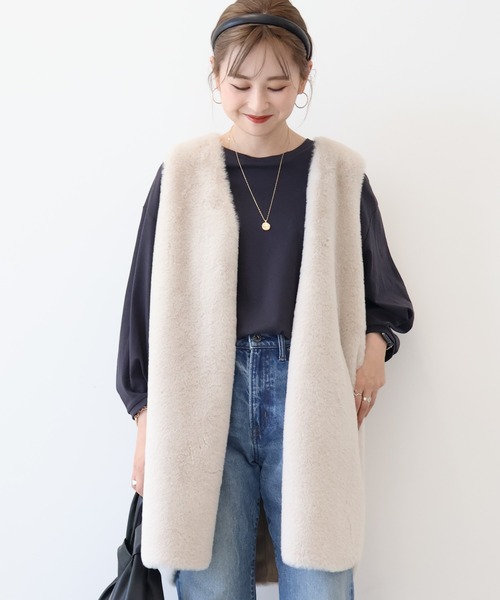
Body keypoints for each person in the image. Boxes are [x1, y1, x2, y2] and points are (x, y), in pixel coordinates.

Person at [116, 1, 414, 598]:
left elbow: (383, 293)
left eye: (278, 85)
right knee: (213, 585)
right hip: (201, 402)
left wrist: (375, 350)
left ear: (304, 78)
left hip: (310, 393)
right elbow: (142, 307)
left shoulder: (338, 172)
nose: (258, 102)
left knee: (322, 580)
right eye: (240, 83)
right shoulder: (183, 172)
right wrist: (147, 427)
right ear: (214, 75)